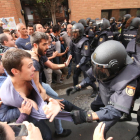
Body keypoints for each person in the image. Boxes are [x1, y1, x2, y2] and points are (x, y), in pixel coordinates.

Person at [70, 40, 140, 137]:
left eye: (102, 70)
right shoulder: (102, 67)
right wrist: (78, 86)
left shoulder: (128, 81)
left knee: (101, 128)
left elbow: (116, 110)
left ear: (114, 68)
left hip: (114, 104)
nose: (98, 73)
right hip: (105, 94)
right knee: (94, 106)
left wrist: (89, 116)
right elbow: (91, 76)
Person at [70, 22, 97, 94]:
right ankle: (76, 88)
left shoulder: (85, 41)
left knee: (88, 79)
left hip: (84, 64)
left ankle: (95, 89)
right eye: (73, 32)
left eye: (76, 32)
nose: (74, 34)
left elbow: (85, 55)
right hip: (78, 62)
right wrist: (70, 57)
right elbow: (72, 51)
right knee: (75, 76)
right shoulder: (74, 40)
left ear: (80, 32)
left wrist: (80, 64)